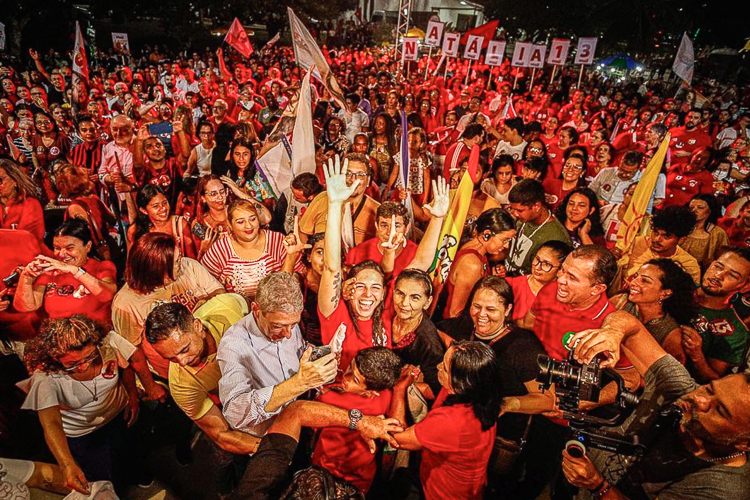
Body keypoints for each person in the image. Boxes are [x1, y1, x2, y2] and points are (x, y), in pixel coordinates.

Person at [559, 309, 750, 500]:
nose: (699, 399)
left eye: (720, 410)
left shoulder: (723, 488)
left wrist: (598, 485)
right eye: (709, 388)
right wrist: (612, 333)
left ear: (745, 443)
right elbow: (629, 325)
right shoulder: (680, 390)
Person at [516, 245, 641, 500]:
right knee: (528, 468)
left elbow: (632, 378)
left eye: (572, 277)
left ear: (597, 289)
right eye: (562, 271)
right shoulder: (552, 290)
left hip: (572, 423)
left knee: (565, 484)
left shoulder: (608, 325)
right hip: (537, 403)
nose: (560, 279)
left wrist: (583, 404)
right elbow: (528, 323)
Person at [144, 298, 261, 496]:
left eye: (184, 349)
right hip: (228, 406)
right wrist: (269, 448)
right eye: (171, 358)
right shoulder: (181, 383)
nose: (181, 362)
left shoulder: (227, 307)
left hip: (259, 385)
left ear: (197, 326)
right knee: (227, 457)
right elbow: (221, 433)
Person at [18, 315, 142, 494]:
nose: (84, 366)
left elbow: (126, 366)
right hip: (83, 435)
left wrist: (132, 396)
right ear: (55, 357)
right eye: (72, 364)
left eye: (90, 357)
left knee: (128, 453)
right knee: (101, 475)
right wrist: (67, 465)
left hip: (119, 416)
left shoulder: (106, 343)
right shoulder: (44, 378)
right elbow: (51, 423)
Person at [218, 272, 338, 437]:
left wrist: (315, 360)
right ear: (256, 310)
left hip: (295, 421)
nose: (288, 334)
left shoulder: (286, 322)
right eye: (277, 326)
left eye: (293, 324)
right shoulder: (233, 345)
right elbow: (235, 414)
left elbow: (297, 350)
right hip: (265, 436)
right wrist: (300, 383)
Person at [112, 232, 224, 402]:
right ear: (156, 268)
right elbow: (133, 351)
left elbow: (219, 293)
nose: (182, 262)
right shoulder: (126, 303)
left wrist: (203, 304)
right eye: (176, 261)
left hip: (214, 358)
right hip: (174, 374)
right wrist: (150, 386)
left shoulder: (189, 266)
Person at [388, 340, 502, 500]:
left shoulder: (452, 421)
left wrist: (399, 389)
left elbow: (396, 438)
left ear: (460, 384)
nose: (438, 367)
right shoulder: (481, 394)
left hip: (443, 493)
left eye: (445, 368)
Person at [14, 219, 117, 326]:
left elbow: (107, 295)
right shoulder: (50, 270)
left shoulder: (102, 267)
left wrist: (74, 270)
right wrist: (26, 277)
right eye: (57, 248)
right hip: (59, 336)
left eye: (69, 248)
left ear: (88, 246)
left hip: (93, 336)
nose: (62, 254)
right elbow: (26, 307)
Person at [200, 199, 304, 301]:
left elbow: (299, 275)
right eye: (241, 222)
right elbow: (205, 284)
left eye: (253, 219)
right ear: (230, 224)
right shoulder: (220, 249)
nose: (249, 226)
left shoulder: (277, 241)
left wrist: (292, 255)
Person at [676, 249, 750, 382]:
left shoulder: (736, 333)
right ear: (711, 264)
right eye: (718, 266)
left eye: (732, 275)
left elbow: (713, 381)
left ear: (745, 286)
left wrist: (697, 356)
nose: (718, 275)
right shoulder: (678, 288)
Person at [436, 208, 517, 320]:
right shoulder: (471, 264)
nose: (507, 246)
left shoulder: (477, 251)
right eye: (504, 240)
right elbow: (455, 312)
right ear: (487, 235)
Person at [299, 152, 380, 248]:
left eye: (360, 174)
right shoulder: (322, 199)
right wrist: (309, 254)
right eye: (348, 173)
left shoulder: (377, 210)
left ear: (368, 180)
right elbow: (303, 232)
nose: (353, 179)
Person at [612, 259, 698, 347]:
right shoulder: (619, 302)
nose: (633, 282)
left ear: (665, 293)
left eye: (645, 281)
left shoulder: (671, 336)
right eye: (636, 276)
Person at [506, 179, 572, 275]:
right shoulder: (523, 219)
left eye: (520, 211)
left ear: (537, 206)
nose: (514, 214)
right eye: (512, 209)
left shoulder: (558, 237)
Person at [623, 205, 701, 286]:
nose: (657, 239)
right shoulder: (633, 243)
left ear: (681, 239)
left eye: (666, 236)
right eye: (656, 232)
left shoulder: (688, 264)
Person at [505, 241, 572, 321]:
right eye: (537, 259)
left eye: (547, 264)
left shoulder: (564, 297)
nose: (538, 267)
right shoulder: (510, 285)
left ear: (561, 270)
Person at [127, 184, 198, 258]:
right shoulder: (134, 231)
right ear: (144, 210)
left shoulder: (180, 224)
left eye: (165, 203)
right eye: (156, 206)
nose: (163, 208)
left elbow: (191, 259)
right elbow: (130, 263)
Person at [682, 194, 730, 270]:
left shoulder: (718, 233)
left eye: (700, 208)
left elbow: (722, 259)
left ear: (710, 210)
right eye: (691, 208)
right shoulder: (680, 227)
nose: (694, 210)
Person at [0, 159, 44, 242]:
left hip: (27, 252)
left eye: (0, 180)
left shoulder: (30, 204)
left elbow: (28, 237)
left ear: (14, 181)